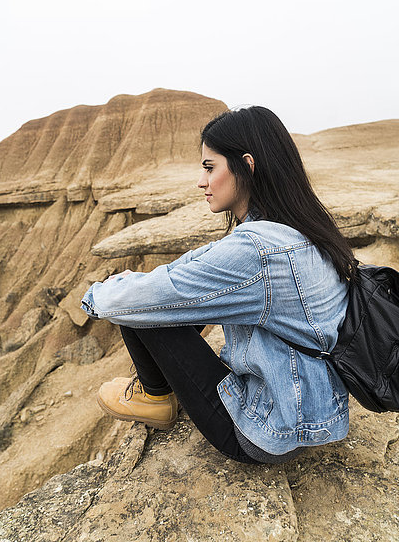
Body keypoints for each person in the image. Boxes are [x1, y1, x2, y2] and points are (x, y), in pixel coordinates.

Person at [81, 106, 357, 465]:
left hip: (267, 432)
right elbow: (199, 265)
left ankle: (156, 397)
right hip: (314, 411)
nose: (201, 181)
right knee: (163, 291)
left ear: (247, 164)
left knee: (139, 304)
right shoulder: (297, 225)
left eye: (210, 168)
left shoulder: (257, 250)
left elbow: (140, 298)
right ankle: (156, 391)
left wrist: (98, 294)